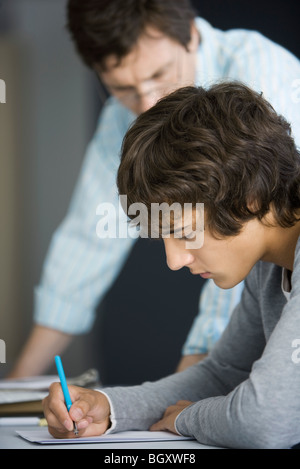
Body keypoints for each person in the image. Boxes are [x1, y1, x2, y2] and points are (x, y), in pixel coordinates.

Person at [9, 0, 300, 378]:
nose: (147, 103)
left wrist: (192, 379)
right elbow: (88, 238)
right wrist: (17, 384)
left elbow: (241, 236)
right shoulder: (125, 115)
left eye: (160, 74)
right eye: (123, 88)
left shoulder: (259, 78)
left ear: (191, 36)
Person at [43, 82, 300, 449]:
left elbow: (265, 421)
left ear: (250, 198)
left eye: (182, 232)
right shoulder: (267, 261)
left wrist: (186, 417)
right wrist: (110, 407)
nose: (174, 260)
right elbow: (224, 373)